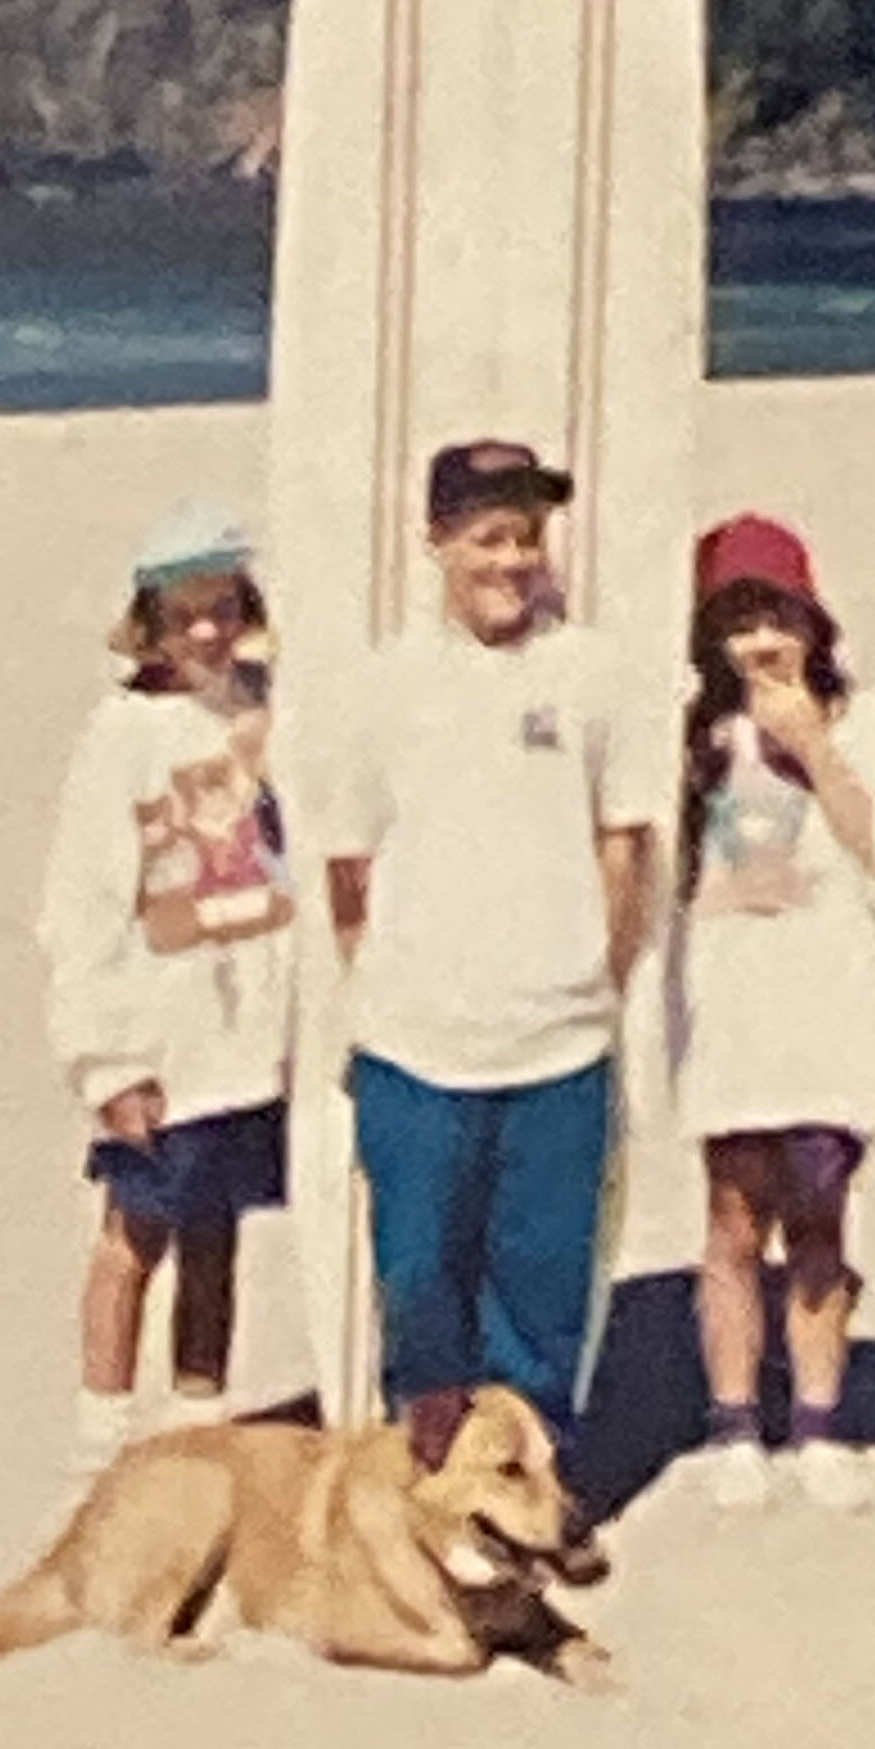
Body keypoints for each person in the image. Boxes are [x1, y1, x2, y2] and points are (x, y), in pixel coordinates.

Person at [323, 439, 663, 1461]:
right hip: (416, 1043)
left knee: (541, 1283)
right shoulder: (380, 684)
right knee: (420, 1273)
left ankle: (525, 1485)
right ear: (437, 543)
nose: (511, 560)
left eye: (527, 537)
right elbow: (350, 865)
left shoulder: (594, 673)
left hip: (557, 1042)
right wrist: (393, 984)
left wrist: (589, 976)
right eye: (487, 537)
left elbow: (624, 840)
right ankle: (429, 1487)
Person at [674, 513, 875, 1514]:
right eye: (736, 620)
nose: (758, 640)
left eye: (774, 615)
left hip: (827, 1006)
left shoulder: (860, 721)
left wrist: (816, 748)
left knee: (818, 1217)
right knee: (733, 1219)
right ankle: (734, 1416)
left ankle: (818, 1419)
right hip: (730, 1007)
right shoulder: (693, 732)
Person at [36, 501, 293, 1491]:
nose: (206, 631)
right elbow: (82, 900)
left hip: (249, 1029)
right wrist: (107, 1059)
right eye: (184, 613)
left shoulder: (259, 708)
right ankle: (102, 1420)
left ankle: (198, 1405)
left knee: (216, 1227)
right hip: (160, 1025)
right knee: (132, 1230)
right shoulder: (122, 733)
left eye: (222, 608)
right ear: (148, 622)